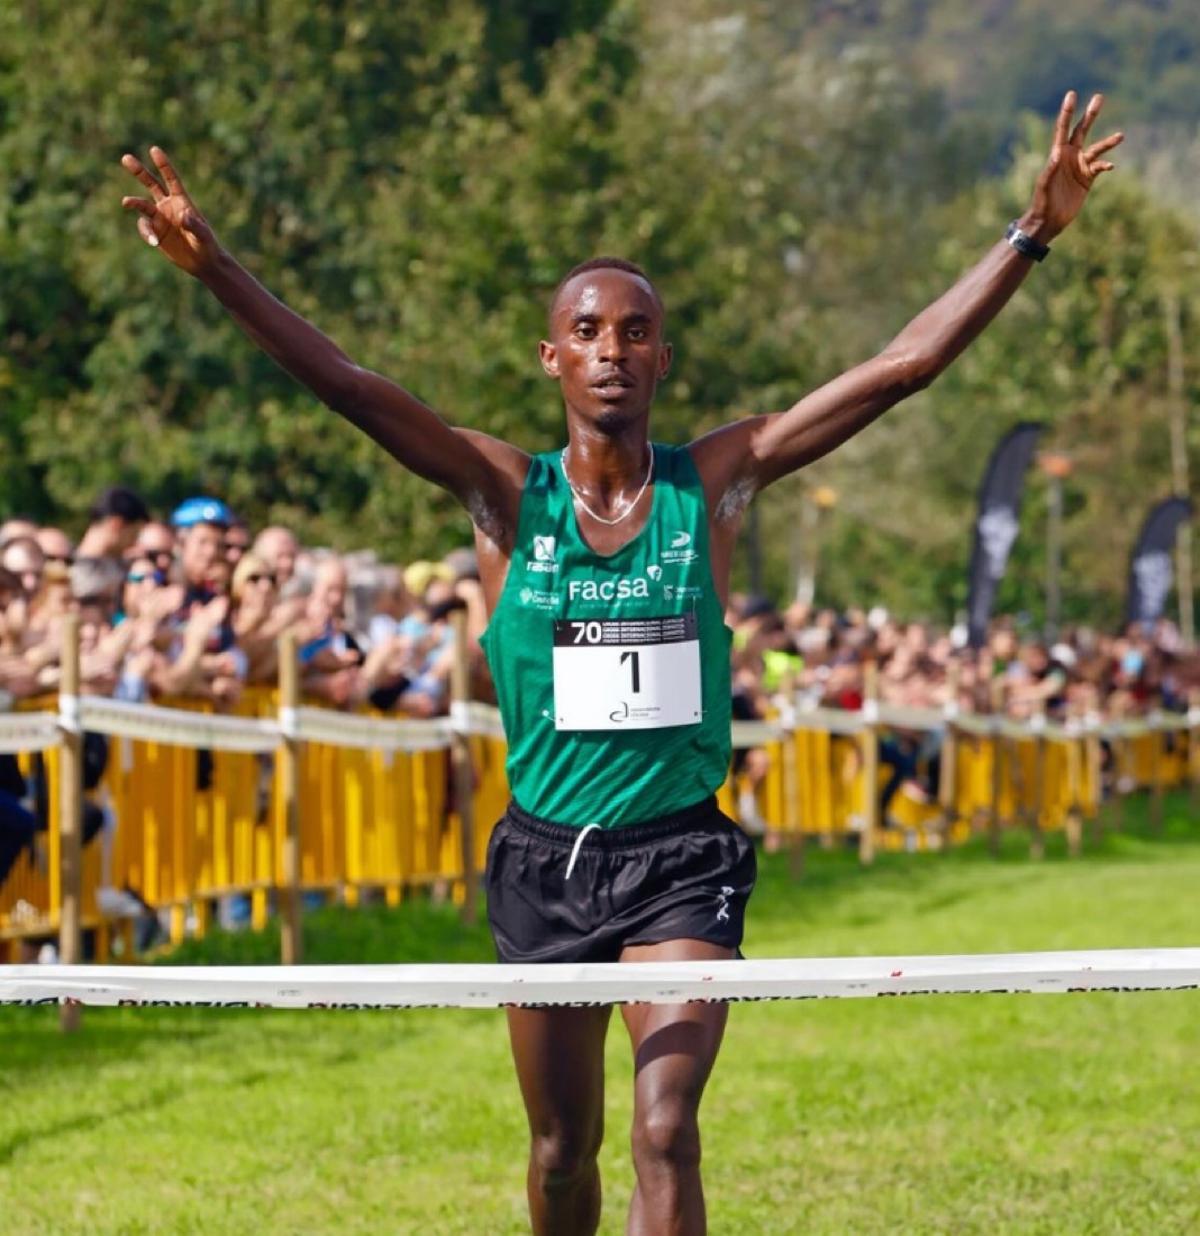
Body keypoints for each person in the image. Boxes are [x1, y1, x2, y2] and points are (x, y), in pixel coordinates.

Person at [121, 90, 1120, 1234]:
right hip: (544, 861)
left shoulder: (719, 480)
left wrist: (1029, 235)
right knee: (562, 1155)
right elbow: (347, 383)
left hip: (680, 860)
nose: (612, 351)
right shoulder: (503, 493)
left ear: (662, 357)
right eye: (590, 332)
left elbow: (900, 368)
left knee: (665, 1130)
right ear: (552, 356)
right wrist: (217, 269)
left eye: (635, 332)